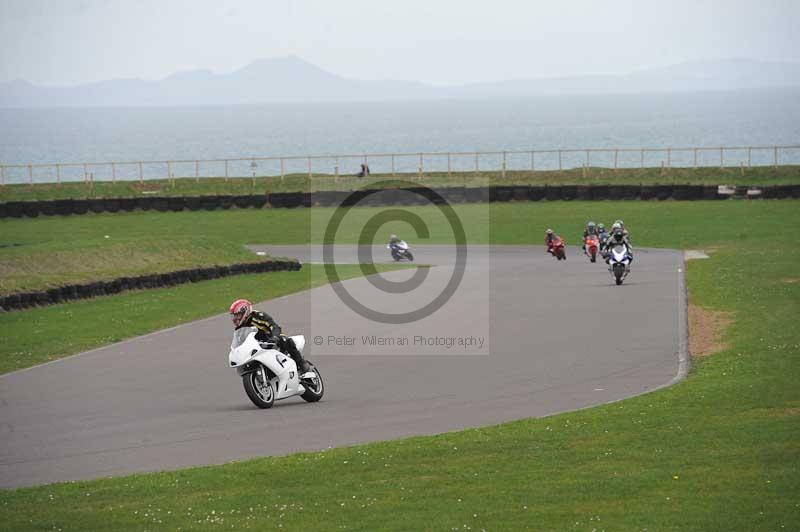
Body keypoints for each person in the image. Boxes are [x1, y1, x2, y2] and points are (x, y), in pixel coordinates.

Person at [229, 299, 310, 373]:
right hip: (258, 346)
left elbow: (274, 326)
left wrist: (275, 337)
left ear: (245, 312)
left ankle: (302, 365)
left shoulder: (259, 316)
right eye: (234, 315)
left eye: (237, 315)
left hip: (271, 338)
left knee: (285, 340)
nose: (235, 318)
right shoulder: (240, 328)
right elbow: (240, 341)